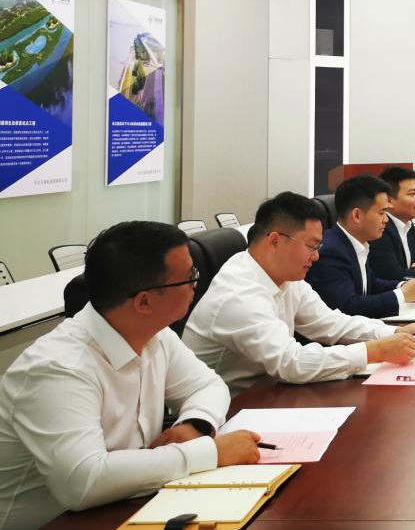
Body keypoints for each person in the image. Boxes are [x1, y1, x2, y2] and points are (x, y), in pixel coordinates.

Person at [0, 222, 261, 530]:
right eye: (189, 277)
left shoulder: (153, 334)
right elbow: (83, 482)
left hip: (131, 504)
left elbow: (207, 385)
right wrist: (209, 452)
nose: (196, 283)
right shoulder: (57, 368)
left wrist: (195, 424)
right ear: (144, 301)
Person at [182, 192, 415, 395]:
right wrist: (374, 351)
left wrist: (393, 333)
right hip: (231, 410)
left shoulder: (285, 277)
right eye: (311, 246)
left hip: (269, 393)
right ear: (274, 241)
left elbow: (329, 323)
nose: (316, 256)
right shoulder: (239, 294)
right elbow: (290, 362)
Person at [304, 175, 415, 319]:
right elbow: (347, 306)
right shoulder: (330, 251)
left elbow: (371, 284)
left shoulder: (357, 242)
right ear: (357, 215)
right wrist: (401, 295)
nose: (386, 220)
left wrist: (404, 285)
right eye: (382, 213)